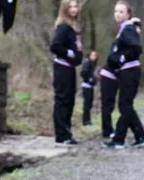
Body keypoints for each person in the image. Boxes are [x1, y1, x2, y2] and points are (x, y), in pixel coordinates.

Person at [103, 9, 144, 148]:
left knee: (125, 105)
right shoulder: (123, 29)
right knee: (126, 105)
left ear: (128, 15)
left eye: (121, 12)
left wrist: (122, 58)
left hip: (130, 71)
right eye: (116, 11)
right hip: (127, 71)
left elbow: (136, 47)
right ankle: (141, 136)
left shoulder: (128, 28)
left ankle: (119, 139)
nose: (117, 14)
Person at [50, 0, 83, 146]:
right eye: (71, 7)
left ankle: (67, 133)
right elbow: (55, 46)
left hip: (70, 69)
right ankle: (61, 135)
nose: (74, 9)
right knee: (62, 100)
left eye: (76, 6)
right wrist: (69, 53)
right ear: (65, 9)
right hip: (62, 68)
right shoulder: (63, 26)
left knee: (69, 100)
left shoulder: (73, 27)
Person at [80, 50, 98, 126]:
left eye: (95, 55)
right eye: (92, 55)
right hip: (86, 86)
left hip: (90, 86)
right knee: (87, 104)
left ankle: (88, 121)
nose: (94, 57)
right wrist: (90, 79)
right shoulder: (87, 63)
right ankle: (85, 121)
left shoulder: (92, 64)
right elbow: (83, 72)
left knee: (89, 104)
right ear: (89, 55)